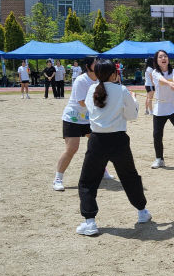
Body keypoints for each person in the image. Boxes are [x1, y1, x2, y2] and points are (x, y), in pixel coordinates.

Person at [76, 59, 151, 236]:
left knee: (88, 180)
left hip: (97, 141)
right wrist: (133, 100)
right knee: (130, 177)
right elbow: (131, 115)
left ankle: (90, 221)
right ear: (113, 74)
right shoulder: (121, 90)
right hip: (118, 140)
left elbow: (90, 109)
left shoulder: (92, 89)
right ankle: (142, 212)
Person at [53, 57, 114, 191]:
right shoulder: (81, 80)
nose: (98, 64)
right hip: (73, 119)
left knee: (100, 145)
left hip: (88, 119)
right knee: (72, 149)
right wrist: (101, 105)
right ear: (88, 66)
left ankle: (103, 170)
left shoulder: (99, 79)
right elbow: (81, 102)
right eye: (95, 63)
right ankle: (58, 179)